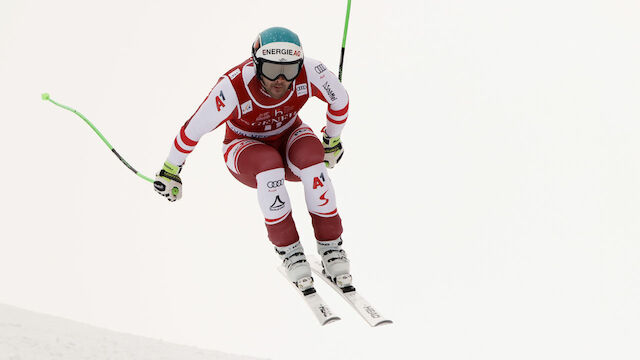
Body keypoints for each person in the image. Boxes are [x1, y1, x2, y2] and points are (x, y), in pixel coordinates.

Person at [153, 27, 351, 292]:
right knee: (268, 164)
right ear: (256, 64)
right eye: (271, 70)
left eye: (290, 70)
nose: (280, 79)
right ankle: (290, 251)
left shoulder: (311, 72)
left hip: (289, 135)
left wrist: (331, 140)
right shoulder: (233, 87)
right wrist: (170, 170)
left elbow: (340, 100)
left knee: (311, 157)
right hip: (244, 147)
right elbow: (193, 129)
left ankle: (332, 248)